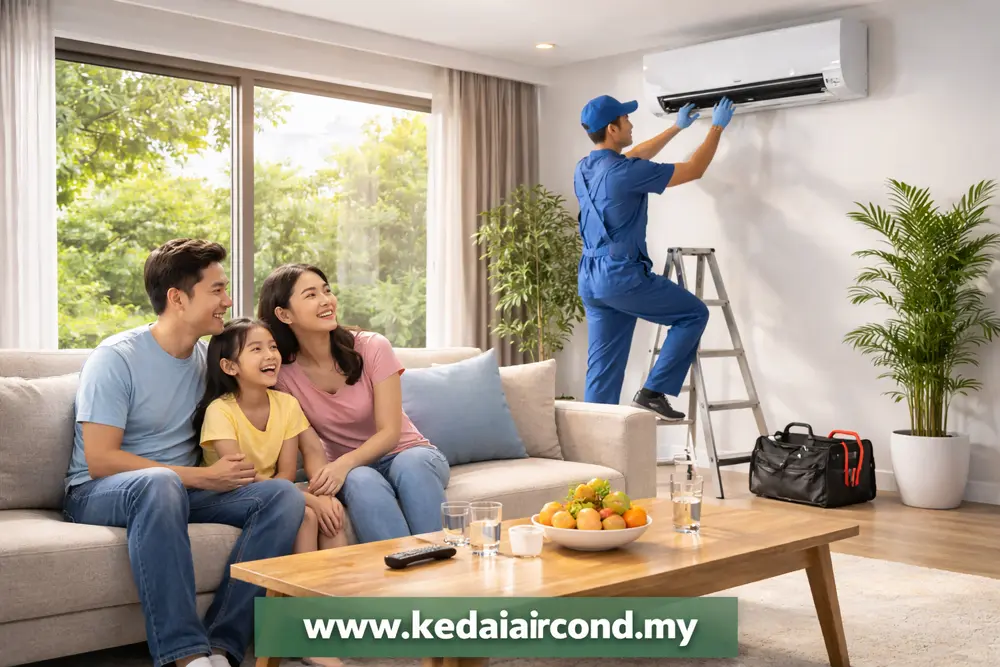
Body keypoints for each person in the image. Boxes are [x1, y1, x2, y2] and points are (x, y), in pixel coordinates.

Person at [63, 239, 306, 667]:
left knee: (283, 497)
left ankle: (221, 646)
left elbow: (258, 399)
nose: (227, 301)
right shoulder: (116, 359)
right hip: (99, 491)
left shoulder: (208, 359)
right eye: (216, 290)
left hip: (178, 491)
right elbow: (100, 459)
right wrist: (198, 477)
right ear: (177, 298)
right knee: (160, 484)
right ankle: (186, 655)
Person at [256, 263, 450, 544]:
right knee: (360, 479)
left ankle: (442, 563)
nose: (326, 300)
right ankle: (401, 577)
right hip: (354, 471)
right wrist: (325, 483)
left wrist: (342, 464)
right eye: (311, 295)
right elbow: (309, 444)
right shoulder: (284, 375)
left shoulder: (372, 346)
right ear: (284, 314)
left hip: (411, 454)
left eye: (327, 290)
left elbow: (389, 433)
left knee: (411, 463)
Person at [574, 94, 735, 420]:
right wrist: (716, 127)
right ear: (612, 128)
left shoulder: (585, 168)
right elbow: (694, 169)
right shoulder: (624, 172)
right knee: (693, 314)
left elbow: (633, 156)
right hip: (620, 276)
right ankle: (653, 392)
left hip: (591, 277)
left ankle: (592, 453)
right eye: (626, 119)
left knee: (602, 371)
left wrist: (676, 128)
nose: (631, 123)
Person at [193, 316, 350, 554]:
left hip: (275, 490)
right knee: (306, 514)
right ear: (230, 366)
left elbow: (286, 471)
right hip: (229, 494)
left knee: (331, 508)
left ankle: (337, 587)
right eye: (256, 349)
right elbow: (240, 476)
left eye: (273, 346)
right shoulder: (220, 411)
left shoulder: (286, 404)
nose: (270, 355)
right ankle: (301, 591)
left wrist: (320, 498)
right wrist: (309, 499)